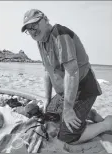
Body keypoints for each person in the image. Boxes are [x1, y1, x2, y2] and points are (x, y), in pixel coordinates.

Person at [21, 9, 112, 144]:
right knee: (50, 116)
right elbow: (47, 71)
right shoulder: (41, 41)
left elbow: (72, 72)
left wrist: (68, 109)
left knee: (67, 136)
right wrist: (46, 99)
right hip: (65, 92)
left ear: (45, 20)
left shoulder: (60, 34)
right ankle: (89, 113)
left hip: (83, 89)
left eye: (34, 25)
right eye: (29, 29)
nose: (33, 31)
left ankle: (107, 124)